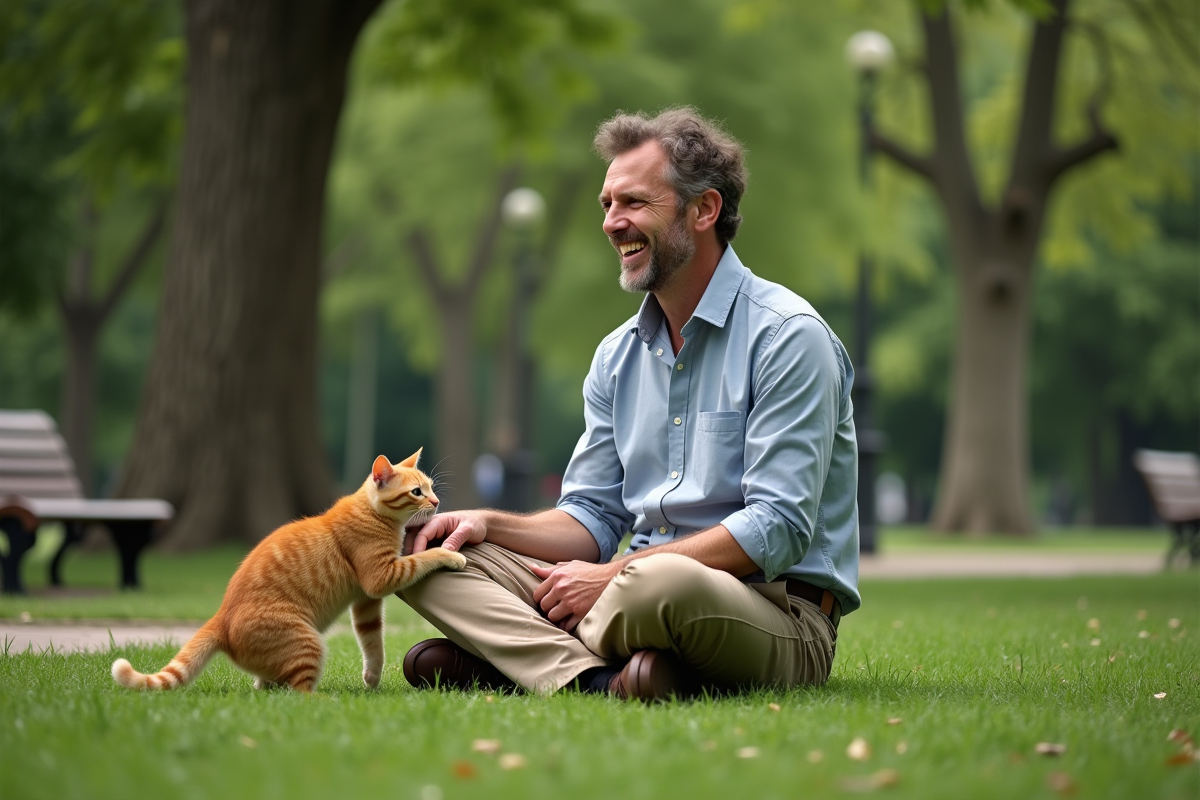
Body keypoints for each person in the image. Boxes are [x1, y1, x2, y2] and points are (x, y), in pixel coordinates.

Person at [397, 107, 860, 700]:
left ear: (704, 210)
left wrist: (615, 574)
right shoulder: (617, 356)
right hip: (624, 594)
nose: (613, 223)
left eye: (635, 203)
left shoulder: (789, 337)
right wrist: (488, 523)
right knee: (427, 557)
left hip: (772, 611)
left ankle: (518, 657)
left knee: (659, 583)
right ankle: (595, 678)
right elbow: (590, 517)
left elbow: (778, 528)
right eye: (608, 205)